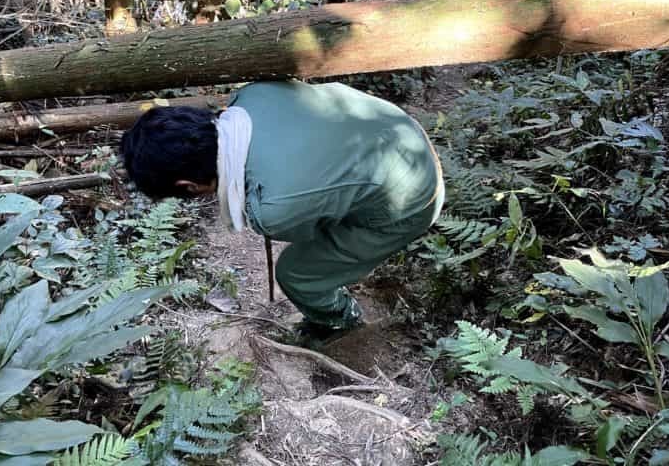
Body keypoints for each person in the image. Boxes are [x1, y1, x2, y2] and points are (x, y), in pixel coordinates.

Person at [121, 80, 444, 339]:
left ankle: (341, 323)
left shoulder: (274, 209)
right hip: (401, 130)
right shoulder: (252, 95)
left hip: (415, 196)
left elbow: (310, 230)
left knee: (297, 273)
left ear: (186, 185)